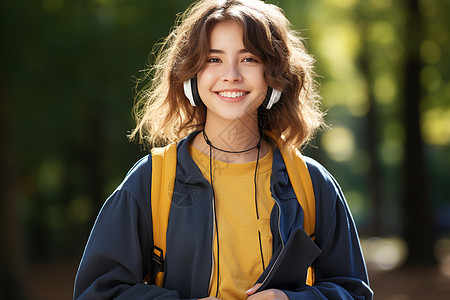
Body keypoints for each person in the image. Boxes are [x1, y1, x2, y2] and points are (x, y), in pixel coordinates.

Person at [74, 0, 373, 299]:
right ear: (191, 75)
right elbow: (96, 293)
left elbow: (354, 292)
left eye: (249, 59)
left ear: (275, 75)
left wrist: (292, 299)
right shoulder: (150, 180)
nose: (231, 75)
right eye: (213, 59)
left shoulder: (311, 182)